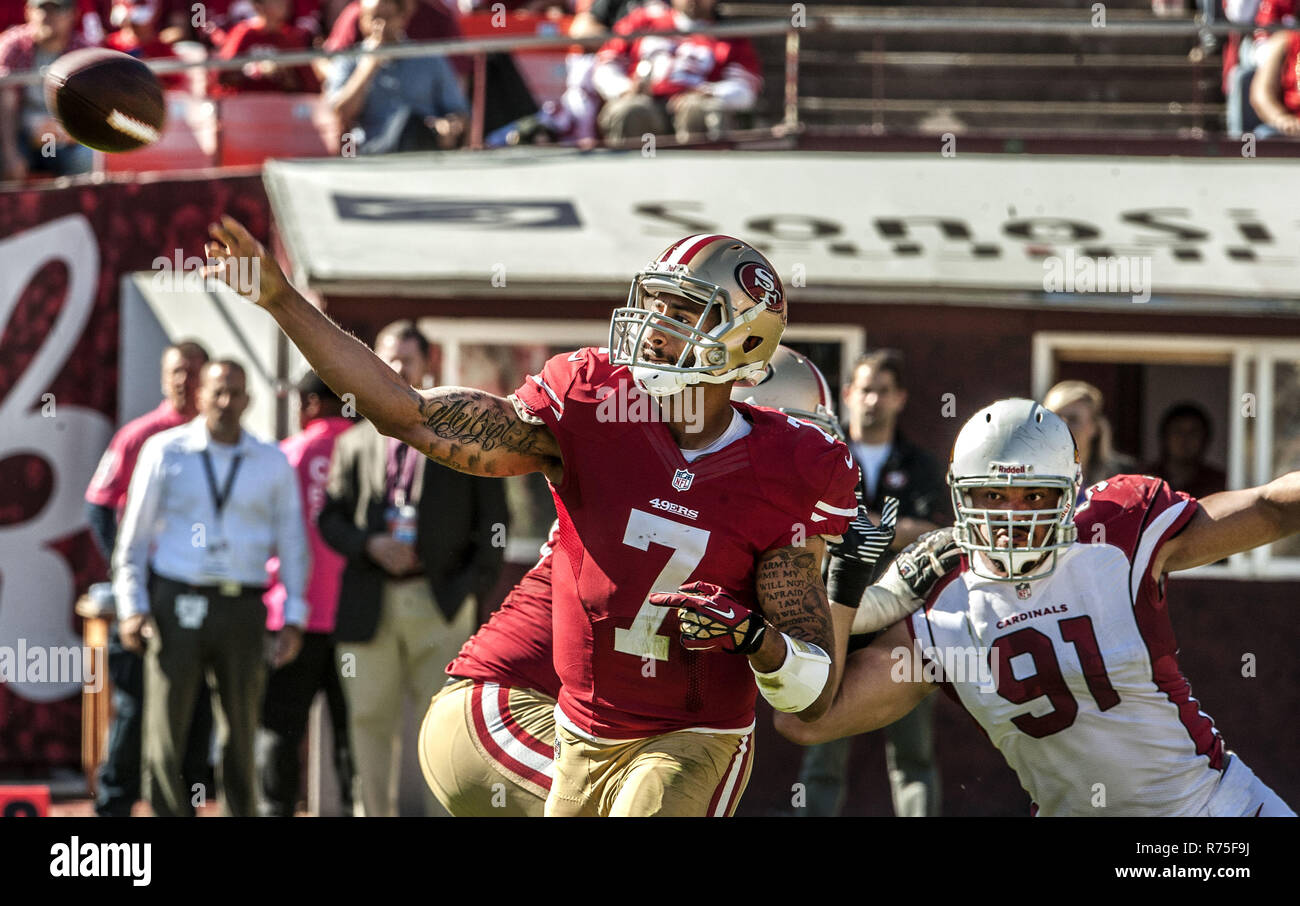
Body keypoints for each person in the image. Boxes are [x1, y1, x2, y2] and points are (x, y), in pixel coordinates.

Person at [203, 220, 860, 817]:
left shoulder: (791, 464)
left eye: (683, 310)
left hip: (694, 735)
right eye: (655, 302)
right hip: (578, 724)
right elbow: (407, 413)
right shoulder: (593, 403)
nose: (656, 323)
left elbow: (804, 689)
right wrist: (282, 301)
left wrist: (754, 639)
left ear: (743, 339)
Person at [419, 345, 900, 817]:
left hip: (571, 727)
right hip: (503, 707)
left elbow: (809, 690)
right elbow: (802, 709)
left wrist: (858, 584)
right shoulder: (709, 503)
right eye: (796, 435)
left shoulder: (746, 518)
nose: (806, 464)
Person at [778, 398, 1298, 816]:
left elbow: (1271, 509)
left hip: (1215, 808)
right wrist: (845, 589)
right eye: (993, 496)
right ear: (961, 496)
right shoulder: (943, 608)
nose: (1012, 516)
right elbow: (806, 720)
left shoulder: (1114, 530)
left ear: (1070, 492)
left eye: (1033, 496)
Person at [318, 321, 509, 817]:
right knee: (367, 720)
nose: (396, 368)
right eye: (387, 357)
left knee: (442, 729)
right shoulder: (353, 442)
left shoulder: (463, 436)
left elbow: (495, 526)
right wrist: (371, 544)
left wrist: (470, 592)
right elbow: (330, 519)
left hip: (440, 601)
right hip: (369, 604)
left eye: (407, 358)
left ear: (429, 365)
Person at [112, 359, 310, 817]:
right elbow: (134, 538)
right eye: (217, 391)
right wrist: (131, 607)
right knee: (166, 731)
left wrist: (294, 618)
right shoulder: (166, 451)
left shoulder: (270, 461)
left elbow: (293, 543)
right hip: (176, 598)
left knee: (241, 731)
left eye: (236, 392)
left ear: (248, 400)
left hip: (241, 605)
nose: (226, 401)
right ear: (199, 395)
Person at [793, 349, 949, 817]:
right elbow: (809, 523)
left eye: (883, 390)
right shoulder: (825, 457)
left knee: (914, 753)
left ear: (900, 398)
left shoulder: (920, 463)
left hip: (903, 618)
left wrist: (862, 523)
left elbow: (940, 534)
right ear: (846, 394)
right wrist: (891, 528)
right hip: (833, 612)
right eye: (864, 388)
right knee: (821, 743)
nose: (872, 400)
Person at [84, 340, 216, 818]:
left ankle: (182, 803)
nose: (185, 380)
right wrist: (128, 580)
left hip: (200, 596)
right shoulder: (140, 436)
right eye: (177, 371)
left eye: (194, 371)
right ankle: (114, 808)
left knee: (196, 709)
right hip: (146, 595)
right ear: (164, 377)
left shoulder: (219, 440)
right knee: (137, 704)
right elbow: (98, 507)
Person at [257, 372, 356, 817]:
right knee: (352, 735)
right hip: (354, 620)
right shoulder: (363, 450)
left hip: (291, 618)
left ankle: (273, 810)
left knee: (278, 728)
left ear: (310, 404)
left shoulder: (285, 455)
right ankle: (359, 808)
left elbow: (260, 534)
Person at [591, 0, 762, 143]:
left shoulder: (730, 37)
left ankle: (700, 180)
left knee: (700, 110)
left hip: (692, 103)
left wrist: (706, 91)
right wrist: (626, 88)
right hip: (645, 101)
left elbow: (745, 90)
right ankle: (631, 178)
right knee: (628, 111)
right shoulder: (643, 21)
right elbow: (605, 66)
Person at [324, 0, 469, 154]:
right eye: (374, 18)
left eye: (388, 17)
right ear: (361, 21)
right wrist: (368, 67)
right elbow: (341, 113)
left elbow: (459, 112)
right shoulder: (349, 60)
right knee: (407, 123)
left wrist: (448, 126)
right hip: (373, 152)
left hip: (426, 150)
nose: (381, 26)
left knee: (413, 124)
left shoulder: (429, 58)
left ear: (403, 18)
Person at [0, 0, 94, 182]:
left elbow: (92, 109)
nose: (48, 16)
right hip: (19, 136)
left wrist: (66, 133)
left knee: (86, 159)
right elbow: (4, 106)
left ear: (74, 15)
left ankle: (78, 209)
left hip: (64, 139)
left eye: (57, 9)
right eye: (42, 8)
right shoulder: (11, 46)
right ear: (28, 11)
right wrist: (10, 153)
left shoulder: (84, 53)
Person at [1042, 379, 1136, 503]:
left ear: (1094, 427)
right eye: (1055, 417)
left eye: (1073, 419)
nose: (1062, 426)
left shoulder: (1121, 478)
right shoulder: (1027, 474)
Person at [211, 0, 319, 94]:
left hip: (282, 107)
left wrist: (285, 75)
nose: (285, 4)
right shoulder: (243, 34)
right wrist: (248, 71)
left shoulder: (292, 37)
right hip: (244, 106)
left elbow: (310, 84)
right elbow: (221, 77)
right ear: (259, 6)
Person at [1143, 402, 1227, 500]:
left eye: (1193, 433)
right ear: (1165, 436)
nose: (1184, 439)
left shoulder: (1218, 483)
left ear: (1205, 439)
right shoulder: (1146, 481)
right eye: (1178, 431)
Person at [1248, 28, 1300, 137]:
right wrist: (1282, 119)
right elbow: (1262, 94)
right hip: (1290, 129)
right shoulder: (1285, 41)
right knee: (1265, 134)